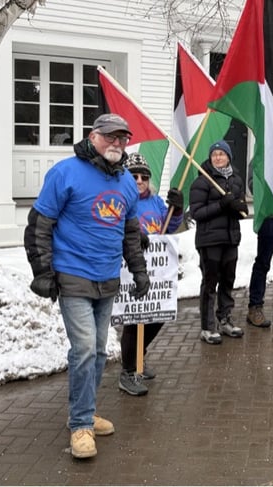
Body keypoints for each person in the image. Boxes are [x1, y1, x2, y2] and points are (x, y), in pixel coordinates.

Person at [23, 113, 148, 459]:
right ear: (93, 137)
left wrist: (139, 271)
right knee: (84, 349)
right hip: (73, 275)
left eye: (122, 138)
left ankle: (86, 411)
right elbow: (39, 225)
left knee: (99, 351)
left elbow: (130, 233)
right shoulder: (65, 173)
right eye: (110, 136)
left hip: (107, 278)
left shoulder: (126, 182)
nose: (117, 143)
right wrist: (42, 271)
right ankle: (80, 424)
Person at [115, 152, 183, 397]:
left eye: (144, 176)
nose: (139, 181)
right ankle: (128, 371)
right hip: (131, 270)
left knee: (158, 314)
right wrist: (134, 236)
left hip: (157, 270)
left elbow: (169, 226)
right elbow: (114, 227)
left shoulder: (155, 202)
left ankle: (138, 357)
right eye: (134, 176)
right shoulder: (121, 200)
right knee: (134, 320)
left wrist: (177, 210)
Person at [189, 140, 248, 343]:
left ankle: (225, 319)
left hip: (230, 239)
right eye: (214, 154)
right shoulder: (202, 181)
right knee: (210, 283)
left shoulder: (236, 180)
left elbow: (241, 209)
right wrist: (222, 205)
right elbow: (196, 213)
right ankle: (207, 327)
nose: (218, 158)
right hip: (209, 241)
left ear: (229, 157)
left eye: (222, 154)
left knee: (227, 281)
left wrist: (238, 207)